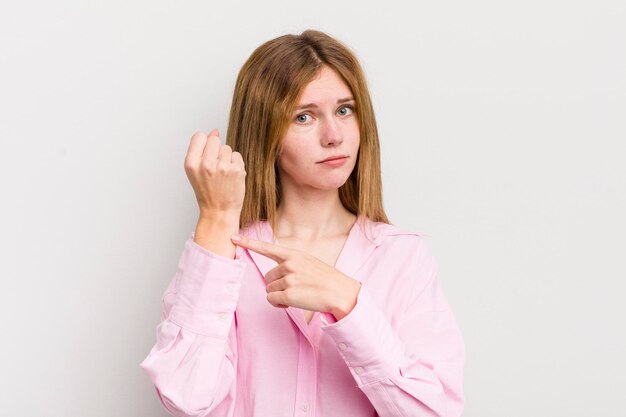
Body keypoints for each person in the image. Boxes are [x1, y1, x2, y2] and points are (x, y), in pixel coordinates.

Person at [140, 30, 465, 417]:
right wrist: (215, 218)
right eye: (304, 117)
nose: (334, 136)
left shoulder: (403, 256)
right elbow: (187, 398)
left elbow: (434, 412)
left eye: (345, 110)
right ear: (268, 132)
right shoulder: (224, 258)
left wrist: (348, 302)